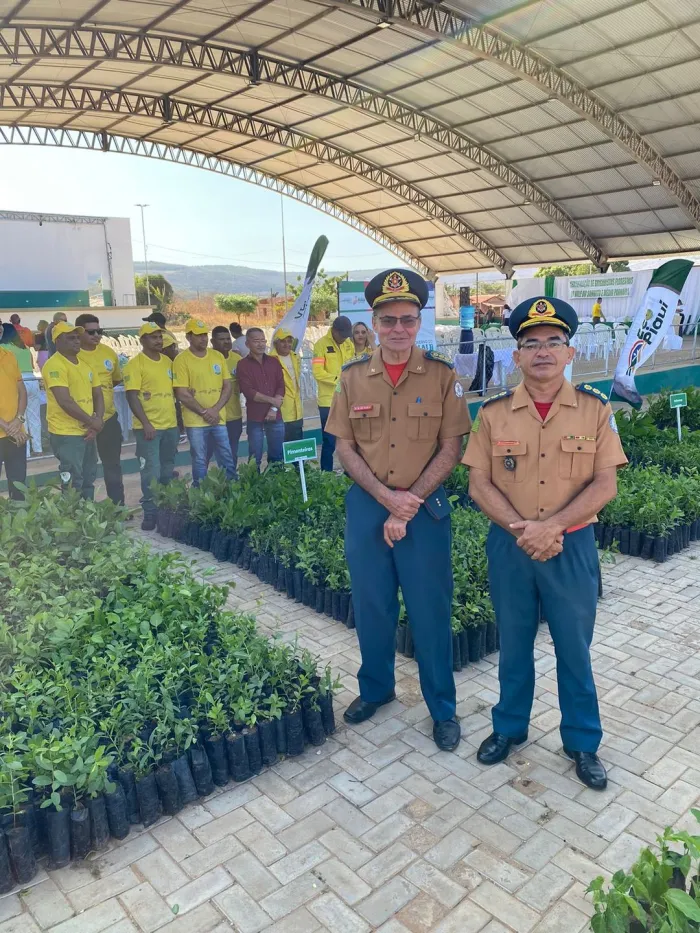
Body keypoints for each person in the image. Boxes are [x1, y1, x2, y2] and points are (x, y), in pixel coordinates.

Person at [463, 296, 628, 790]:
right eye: (530, 343)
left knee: (574, 650)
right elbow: (479, 485)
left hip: (571, 548)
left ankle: (582, 741)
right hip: (511, 548)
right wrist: (524, 529)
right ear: (516, 356)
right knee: (513, 646)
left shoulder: (595, 411)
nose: (542, 352)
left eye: (553, 342)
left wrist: (551, 527)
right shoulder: (492, 414)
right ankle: (509, 729)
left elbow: (605, 484)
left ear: (570, 352)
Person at [326, 269, 471, 752]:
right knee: (371, 606)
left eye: (407, 320)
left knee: (430, 612)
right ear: (373, 320)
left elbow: (451, 448)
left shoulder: (441, 376)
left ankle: (443, 710)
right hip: (369, 508)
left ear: (419, 321)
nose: (398, 329)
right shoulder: (351, 379)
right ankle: (377, 690)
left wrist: (405, 505)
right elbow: (344, 449)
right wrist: (388, 501)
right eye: (388, 320)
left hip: (424, 512)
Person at [123, 323, 179, 530]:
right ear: (142, 341)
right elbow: (132, 396)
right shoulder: (135, 365)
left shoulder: (167, 362)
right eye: (153, 337)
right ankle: (150, 513)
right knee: (150, 471)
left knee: (167, 469)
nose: (158, 340)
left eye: (160, 336)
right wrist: (146, 423)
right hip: (149, 429)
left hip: (170, 425)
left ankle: (165, 509)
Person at [42, 322, 104, 498]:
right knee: (72, 483)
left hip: (88, 431)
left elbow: (98, 395)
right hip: (66, 434)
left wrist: (97, 420)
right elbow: (65, 401)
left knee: (88, 479)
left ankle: (88, 520)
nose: (77, 341)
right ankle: (73, 522)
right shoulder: (54, 365)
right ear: (57, 342)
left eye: (77, 337)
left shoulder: (85, 365)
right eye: (71, 338)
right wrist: (93, 422)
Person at [173, 319, 236, 485]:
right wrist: (204, 412)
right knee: (200, 459)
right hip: (195, 422)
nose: (203, 338)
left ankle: (232, 490)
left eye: (204, 335)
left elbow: (227, 386)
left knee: (226, 456)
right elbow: (182, 393)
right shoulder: (181, 360)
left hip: (218, 418)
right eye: (198, 335)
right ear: (188, 337)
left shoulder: (217, 356)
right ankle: (201, 495)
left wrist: (215, 410)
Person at [76, 313, 124, 505]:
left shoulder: (108, 353)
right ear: (79, 333)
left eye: (100, 331)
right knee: (84, 468)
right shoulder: (73, 355)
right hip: (81, 421)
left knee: (112, 465)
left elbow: (116, 379)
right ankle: (84, 510)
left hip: (108, 419)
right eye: (91, 332)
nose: (97, 335)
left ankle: (117, 506)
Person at [237, 328, 285, 468]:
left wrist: (274, 408)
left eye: (263, 340)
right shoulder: (243, 365)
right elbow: (248, 392)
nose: (260, 344)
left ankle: (275, 484)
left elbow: (281, 385)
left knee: (277, 457)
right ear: (247, 344)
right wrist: (273, 401)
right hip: (255, 417)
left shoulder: (274, 362)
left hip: (275, 415)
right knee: (254, 457)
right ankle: (255, 486)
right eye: (256, 341)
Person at [312, 316, 354, 470]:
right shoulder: (321, 345)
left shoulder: (348, 343)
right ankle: (326, 474)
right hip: (328, 402)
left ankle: (349, 473)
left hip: (348, 400)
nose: (344, 339)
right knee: (329, 442)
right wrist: (339, 380)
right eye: (342, 335)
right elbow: (318, 373)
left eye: (346, 335)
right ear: (334, 331)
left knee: (349, 441)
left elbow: (352, 366)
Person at [0, 323, 41, 455]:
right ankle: (38, 448)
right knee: (34, 418)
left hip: (18, 382)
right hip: (32, 380)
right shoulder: (24, 348)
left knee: (24, 419)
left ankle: (27, 452)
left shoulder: (5, 350)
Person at [0, 323, 28, 499]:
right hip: (10, 430)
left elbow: (22, 390)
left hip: (16, 433)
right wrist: (6, 425)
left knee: (18, 486)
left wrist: (18, 420)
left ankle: (18, 526)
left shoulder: (9, 355)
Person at [210, 325, 243, 473]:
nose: (226, 342)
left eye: (228, 338)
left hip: (234, 415)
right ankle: (222, 481)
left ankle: (231, 480)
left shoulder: (237, 359)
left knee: (232, 451)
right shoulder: (208, 359)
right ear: (213, 342)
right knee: (218, 453)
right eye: (221, 339)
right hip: (215, 416)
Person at [270, 328, 303, 442]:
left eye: (289, 341)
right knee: (281, 446)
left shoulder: (295, 356)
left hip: (297, 409)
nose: (287, 344)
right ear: (276, 343)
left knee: (298, 446)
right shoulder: (270, 359)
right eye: (283, 341)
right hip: (280, 410)